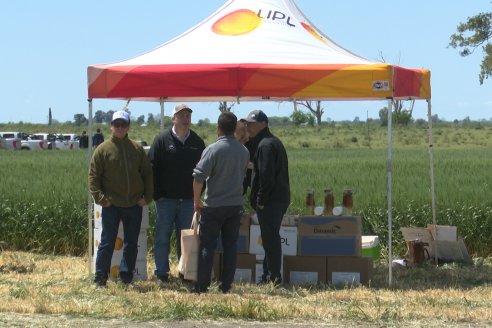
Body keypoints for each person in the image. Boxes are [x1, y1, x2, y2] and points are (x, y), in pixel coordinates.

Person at [89, 110, 153, 287]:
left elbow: (147, 174)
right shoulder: (102, 150)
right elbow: (93, 177)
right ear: (111, 126)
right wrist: (101, 199)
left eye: (123, 124)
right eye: (116, 124)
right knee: (107, 242)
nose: (119, 127)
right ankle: (100, 278)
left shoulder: (137, 149)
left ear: (128, 127)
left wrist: (146, 198)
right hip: (112, 205)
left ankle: (126, 278)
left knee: (131, 244)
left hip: (134, 204)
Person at [192, 112, 249, 293]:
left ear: (218, 128)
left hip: (214, 205)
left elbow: (199, 177)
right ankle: (226, 286)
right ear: (234, 129)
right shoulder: (243, 151)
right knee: (230, 246)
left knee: (208, 246)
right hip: (234, 206)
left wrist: (196, 200)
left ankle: (202, 286)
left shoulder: (213, 149)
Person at [148, 104, 205, 282]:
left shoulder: (197, 142)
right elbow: (151, 169)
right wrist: (157, 195)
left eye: (188, 115)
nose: (185, 119)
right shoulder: (162, 140)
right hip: (165, 201)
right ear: (173, 119)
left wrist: (197, 195)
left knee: (186, 239)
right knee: (162, 237)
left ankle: (184, 273)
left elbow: (204, 172)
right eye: (181, 115)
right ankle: (161, 273)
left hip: (188, 200)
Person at [243, 110, 290, 285]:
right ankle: (267, 275)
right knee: (270, 237)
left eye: (251, 124)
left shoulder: (264, 145)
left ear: (263, 124)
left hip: (270, 201)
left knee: (270, 240)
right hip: (280, 198)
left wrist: (261, 200)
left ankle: (274, 278)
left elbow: (266, 175)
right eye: (246, 124)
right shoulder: (272, 142)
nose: (247, 127)